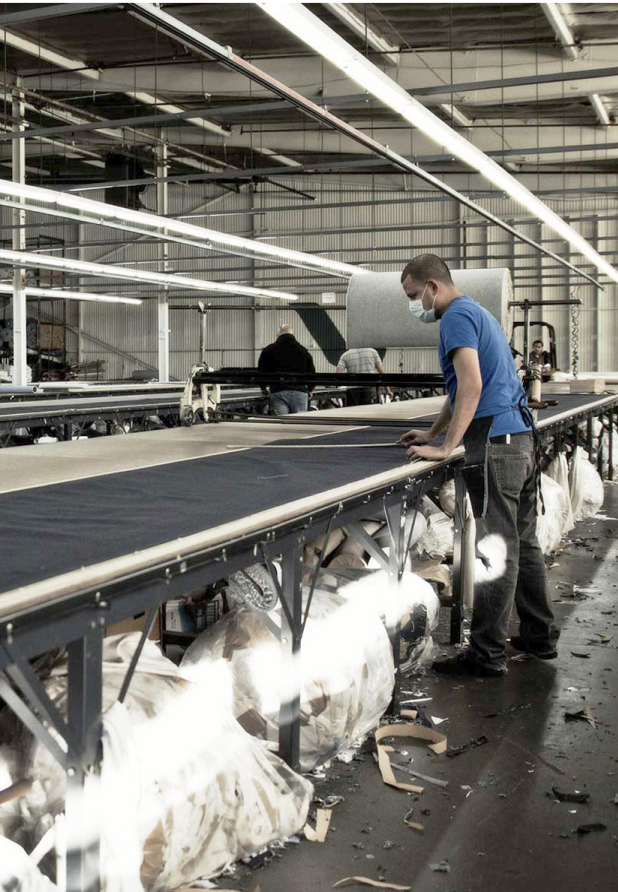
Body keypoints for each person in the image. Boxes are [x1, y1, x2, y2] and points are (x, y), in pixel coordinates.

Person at [399, 254, 559, 678]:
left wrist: (446, 448)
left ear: (433, 286)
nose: (415, 305)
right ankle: (538, 636)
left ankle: (486, 655)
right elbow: (458, 391)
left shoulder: (454, 318)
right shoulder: (479, 314)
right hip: (520, 440)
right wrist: (433, 433)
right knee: (524, 545)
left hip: (494, 447)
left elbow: (472, 384)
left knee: (497, 552)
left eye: (414, 296)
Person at [257, 323, 315, 415]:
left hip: (278, 391)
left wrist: (263, 389)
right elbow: (312, 373)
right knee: (299, 424)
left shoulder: (269, 350)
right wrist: (310, 390)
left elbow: (261, 371)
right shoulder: (303, 351)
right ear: (292, 334)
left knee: (281, 424)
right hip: (299, 392)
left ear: (278, 335)